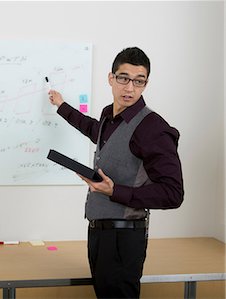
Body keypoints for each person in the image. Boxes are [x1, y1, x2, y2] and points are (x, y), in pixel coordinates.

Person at [48, 47, 184, 299]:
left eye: (138, 81)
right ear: (110, 78)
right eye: (123, 78)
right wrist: (61, 105)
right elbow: (92, 129)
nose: (129, 88)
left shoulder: (153, 128)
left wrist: (115, 191)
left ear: (145, 84)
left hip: (123, 238)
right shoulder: (109, 118)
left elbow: (173, 193)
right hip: (100, 233)